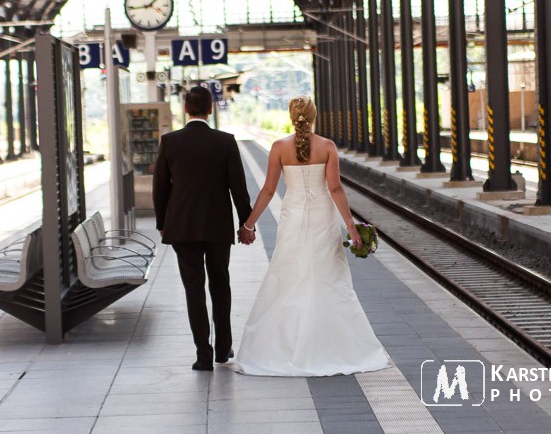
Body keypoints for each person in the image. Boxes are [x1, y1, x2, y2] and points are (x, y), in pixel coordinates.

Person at [235, 96, 392, 376]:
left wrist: (248, 224)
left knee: (289, 275)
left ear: (290, 116)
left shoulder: (279, 147)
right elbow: (335, 189)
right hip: (323, 218)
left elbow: (268, 191)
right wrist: (352, 227)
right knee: (329, 277)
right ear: (315, 116)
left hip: (293, 217)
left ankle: (286, 345)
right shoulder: (327, 146)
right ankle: (335, 346)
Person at [152, 86, 255, 371]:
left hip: (182, 227)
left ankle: (202, 354)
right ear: (211, 109)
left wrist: (162, 222)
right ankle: (223, 349)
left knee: (193, 289)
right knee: (220, 284)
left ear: (185, 108)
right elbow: (239, 188)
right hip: (218, 226)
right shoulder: (225, 141)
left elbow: (160, 187)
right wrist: (247, 224)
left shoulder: (170, 142)